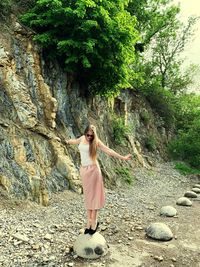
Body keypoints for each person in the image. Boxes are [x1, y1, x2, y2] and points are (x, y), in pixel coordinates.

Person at [65, 124, 132, 235]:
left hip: (94, 171)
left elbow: (108, 150)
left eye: (92, 136)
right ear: (85, 132)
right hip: (84, 171)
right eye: (88, 135)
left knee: (94, 196)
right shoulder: (82, 138)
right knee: (88, 196)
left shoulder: (95, 142)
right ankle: (88, 222)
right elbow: (74, 141)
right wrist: (66, 141)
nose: (89, 137)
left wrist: (123, 157)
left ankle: (93, 223)